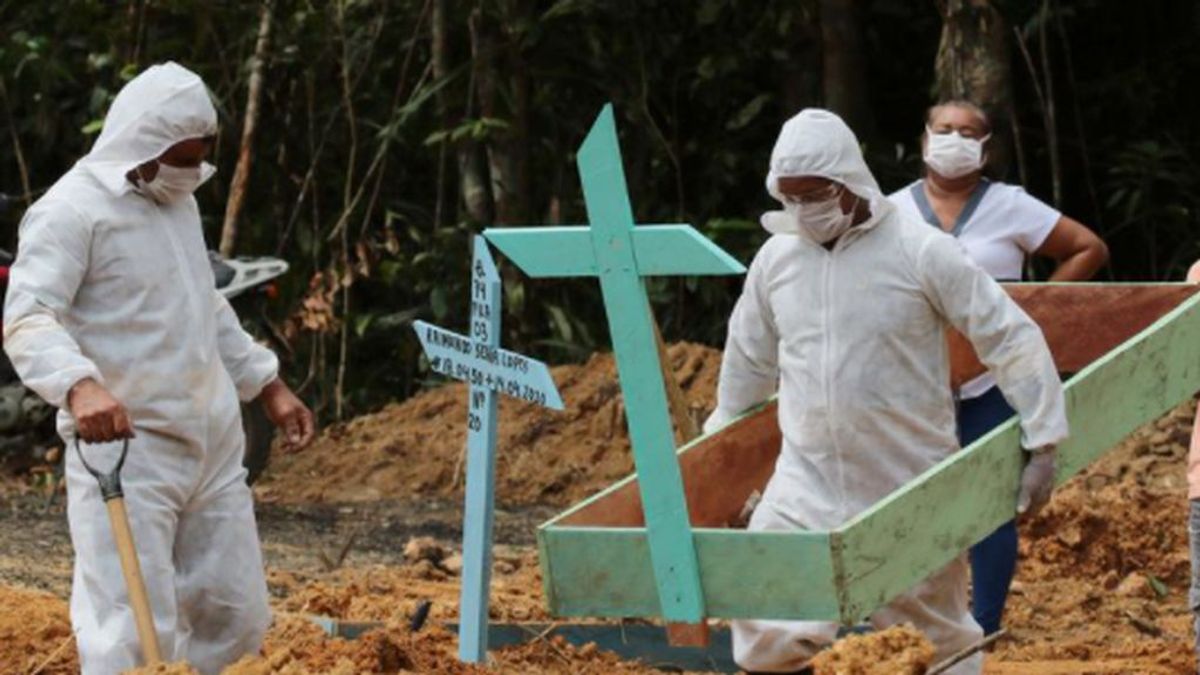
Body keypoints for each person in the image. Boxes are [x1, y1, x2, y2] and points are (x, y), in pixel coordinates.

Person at [704, 108, 1068, 674]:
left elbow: (1007, 334)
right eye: (792, 197)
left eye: (816, 194)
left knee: (932, 639)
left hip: (909, 480)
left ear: (848, 182)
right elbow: (747, 366)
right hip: (805, 483)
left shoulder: (919, 250)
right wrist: (720, 465)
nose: (805, 209)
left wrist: (1043, 439)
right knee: (767, 611)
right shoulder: (777, 261)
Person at [3, 62, 315, 674]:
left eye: (199, 157)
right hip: (127, 453)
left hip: (214, 448)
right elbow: (29, 315)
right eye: (182, 157)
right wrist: (80, 386)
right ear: (142, 145)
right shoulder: (70, 213)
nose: (193, 170)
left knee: (236, 615)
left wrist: (267, 384)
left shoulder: (176, 203)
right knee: (131, 627)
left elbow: (206, 305)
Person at [887, 100, 1108, 636]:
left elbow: (1088, 248)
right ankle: (909, 627)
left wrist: (1033, 313)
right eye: (945, 130)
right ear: (924, 141)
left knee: (991, 503)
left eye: (969, 132)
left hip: (993, 382)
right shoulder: (887, 211)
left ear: (986, 149)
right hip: (913, 385)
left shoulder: (1009, 206)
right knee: (908, 507)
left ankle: (985, 626)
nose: (955, 139)